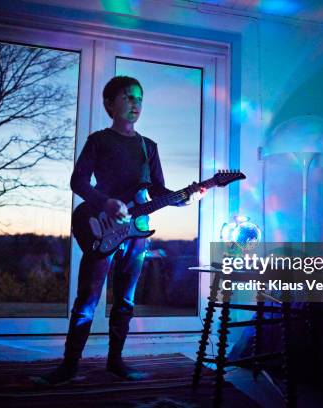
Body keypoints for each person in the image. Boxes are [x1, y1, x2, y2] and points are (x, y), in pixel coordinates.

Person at [41, 76, 205, 384]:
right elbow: (78, 182)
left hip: (137, 233)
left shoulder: (149, 147)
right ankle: (69, 365)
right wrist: (105, 204)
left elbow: (158, 192)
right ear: (109, 104)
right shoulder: (99, 141)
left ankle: (115, 361)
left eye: (139, 98)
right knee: (88, 298)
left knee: (126, 301)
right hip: (100, 229)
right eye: (128, 97)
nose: (135, 104)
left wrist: (185, 198)